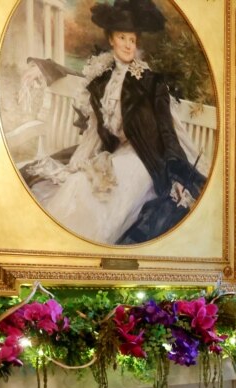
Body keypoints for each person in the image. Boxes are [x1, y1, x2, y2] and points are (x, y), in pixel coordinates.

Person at [24, 0, 208, 245]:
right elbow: (76, 80)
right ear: (111, 39)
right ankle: (59, 246)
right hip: (116, 154)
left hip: (147, 160)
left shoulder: (151, 82)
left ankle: (89, 246)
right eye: (122, 38)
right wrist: (41, 67)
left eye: (132, 40)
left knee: (110, 193)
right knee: (78, 182)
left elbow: (167, 131)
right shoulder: (101, 80)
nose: (128, 45)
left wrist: (177, 172)